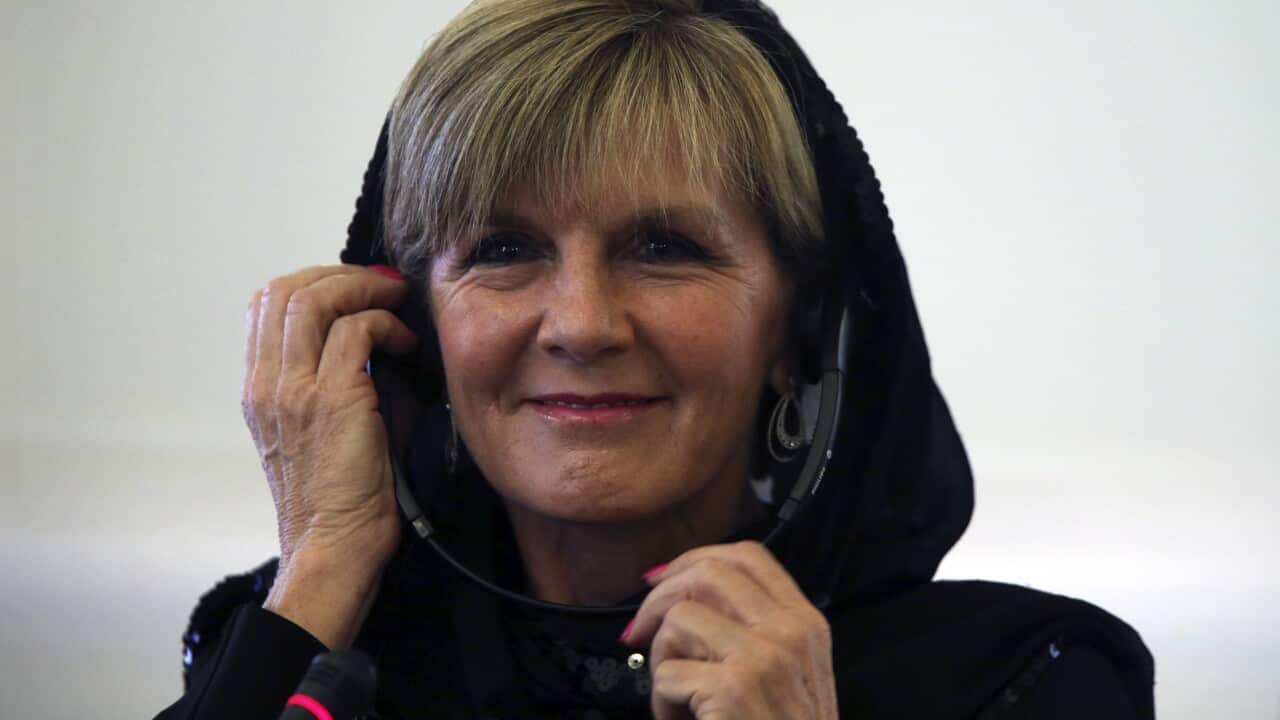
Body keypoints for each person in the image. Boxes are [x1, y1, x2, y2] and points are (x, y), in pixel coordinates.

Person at [155, 0, 1155, 718]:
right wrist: (321, 571)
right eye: (504, 251)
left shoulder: (1023, 683)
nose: (580, 324)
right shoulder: (297, 653)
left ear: (799, 330)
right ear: (415, 320)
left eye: (664, 248)